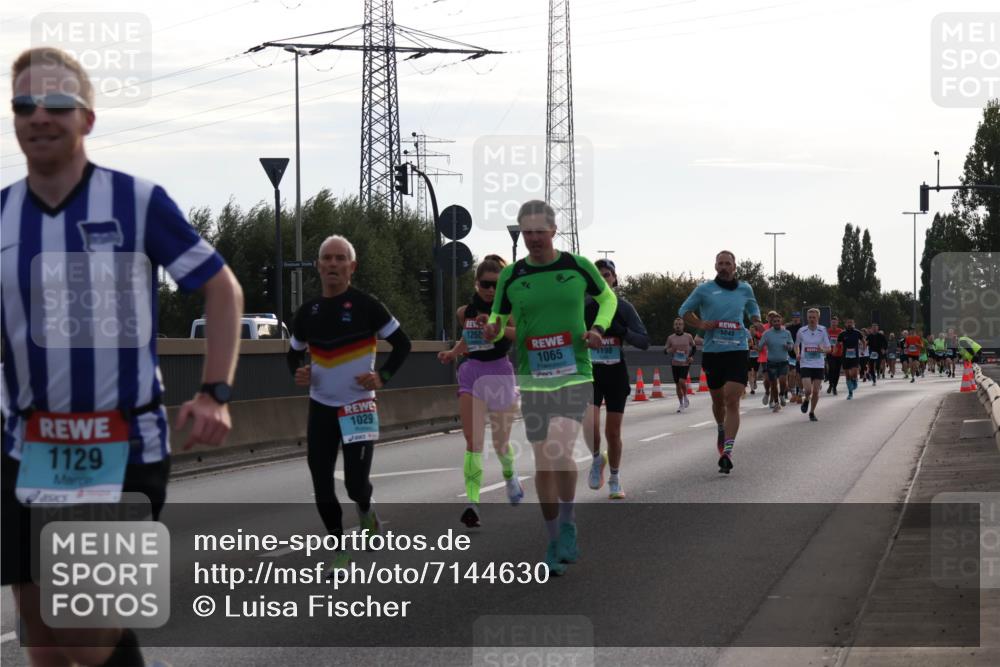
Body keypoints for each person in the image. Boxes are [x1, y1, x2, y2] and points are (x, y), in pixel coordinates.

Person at [2, 47, 243, 667]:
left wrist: (215, 390)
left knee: (84, 624)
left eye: (57, 102)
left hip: (121, 442)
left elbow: (221, 288)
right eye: (25, 104)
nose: (39, 116)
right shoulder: (0, 213)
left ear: (87, 118)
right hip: (26, 447)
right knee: (37, 623)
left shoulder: (135, 202)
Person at [483, 200, 616, 576]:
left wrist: (598, 329)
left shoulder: (577, 266)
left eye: (540, 231)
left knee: (559, 448)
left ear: (554, 231)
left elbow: (607, 298)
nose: (534, 238)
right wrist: (494, 325)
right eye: (527, 232)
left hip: (575, 371)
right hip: (533, 375)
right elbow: (498, 312)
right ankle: (553, 536)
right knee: (543, 462)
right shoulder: (512, 275)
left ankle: (570, 523)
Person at [287, 235, 412, 572]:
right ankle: (340, 552)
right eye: (326, 258)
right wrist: (299, 372)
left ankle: (366, 509)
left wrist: (382, 377)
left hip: (358, 407)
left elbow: (403, 344)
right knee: (322, 486)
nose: (332, 264)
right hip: (321, 408)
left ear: (351, 267)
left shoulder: (367, 306)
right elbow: (293, 352)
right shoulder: (307, 312)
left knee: (356, 485)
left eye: (340, 259)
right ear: (318, 265)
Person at [437, 255, 523, 528]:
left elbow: (520, 334)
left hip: (499, 373)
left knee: (500, 443)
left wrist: (497, 329)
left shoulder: (508, 309)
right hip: (472, 372)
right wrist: (453, 352)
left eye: (495, 285)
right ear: (476, 284)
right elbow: (468, 337)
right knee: (473, 441)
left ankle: (510, 476)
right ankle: (472, 503)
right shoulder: (465, 312)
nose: (489, 289)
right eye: (485, 284)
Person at [679, 250, 761, 474]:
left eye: (728, 263)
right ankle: (721, 427)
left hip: (737, 349)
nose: (724, 267)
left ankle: (728, 451)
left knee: (732, 399)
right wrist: (700, 323)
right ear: (715, 266)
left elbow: (753, 308)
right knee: (718, 401)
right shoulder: (704, 289)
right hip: (714, 352)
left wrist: (756, 321)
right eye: (720, 263)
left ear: (735, 266)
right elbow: (684, 311)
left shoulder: (745, 288)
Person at [583, 258, 649, 500]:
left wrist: (621, 331)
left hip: (615, 372)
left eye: (607, 275)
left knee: (613, 432)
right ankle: (596, 459)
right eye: (598, 276)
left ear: (615, 279)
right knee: (589, 426)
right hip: (590, 373)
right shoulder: (583, 307)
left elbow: (644, 342)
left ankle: (614, 478)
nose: (603, 279)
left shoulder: (624, 308)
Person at [795, 309, 831, 422]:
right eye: (809, 317)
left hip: (818, 364)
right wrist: (797, 354)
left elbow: (829, 349)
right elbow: (796, 345)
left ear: (818, 318)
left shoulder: (823, 330)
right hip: (805, 363)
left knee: (815, 391)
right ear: (807, 318)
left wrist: (822, 350)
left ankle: (811, 412)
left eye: (813, 317)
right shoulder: (801, 331)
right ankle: (806, 400)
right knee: (808, 390)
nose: (811, 319)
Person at [759, 312, 793, 412]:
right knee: (773, 384)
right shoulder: (767, 333)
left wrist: (788, 347)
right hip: (771, 362)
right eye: (775, 321)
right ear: (771, 323)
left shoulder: (786, 333)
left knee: (783, 381)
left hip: (783, 361)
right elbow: (760, 346)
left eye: (778, 321)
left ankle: (782, 394)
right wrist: (760, 346)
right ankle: (777, 403)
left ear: (781, 321)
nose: (777, 323)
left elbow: (791, 344)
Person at [665, 317, 697, 412]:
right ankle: (681, 404)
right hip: (675, 363)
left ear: (683, 326)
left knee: (682, 381)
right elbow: (665, 351)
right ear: (674, 326)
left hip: (685, 363)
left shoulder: (688, 336)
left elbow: (694, 347)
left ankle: (686, 396)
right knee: (678, 384)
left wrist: (690, 356)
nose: (678, 326)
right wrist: (671, 350)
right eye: (676, 324)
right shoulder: (670, 338)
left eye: (680, 324)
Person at [837, 318, 864, 399]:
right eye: (848, 322)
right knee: (848, 376)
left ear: (853, 324)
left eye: (851, 323)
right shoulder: (842, 334)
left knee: (854, 374)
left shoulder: (857, 332)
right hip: (845, 357)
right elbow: (838, 343)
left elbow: (864, 341)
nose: (849, 324)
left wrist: (863, 349)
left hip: (855, 356)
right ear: (845, 324)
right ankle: (850, 393)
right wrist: (836, 349)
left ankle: (855, 381)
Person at [785, 312, 804, 403]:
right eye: (794, 317)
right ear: (792, 318)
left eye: (797, 317)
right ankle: (793, 394)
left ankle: (800, 394)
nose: (795, 319)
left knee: (799, 376)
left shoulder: (803, 328)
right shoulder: (788, 328)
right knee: (792, 374)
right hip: (791, 355)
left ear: (800, 318)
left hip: (801, 355)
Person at [826, 316, 844, 395]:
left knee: (837, 371)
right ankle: (831, 384)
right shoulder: (827, 331)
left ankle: (834, 387)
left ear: (837, 323)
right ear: (830, 323)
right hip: (830, 353)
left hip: (839, 354)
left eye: (835, 322)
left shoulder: (840, 331)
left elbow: (843, 342)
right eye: (832, 322)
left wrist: (839, 344)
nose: (833, 323)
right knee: (831, 368)